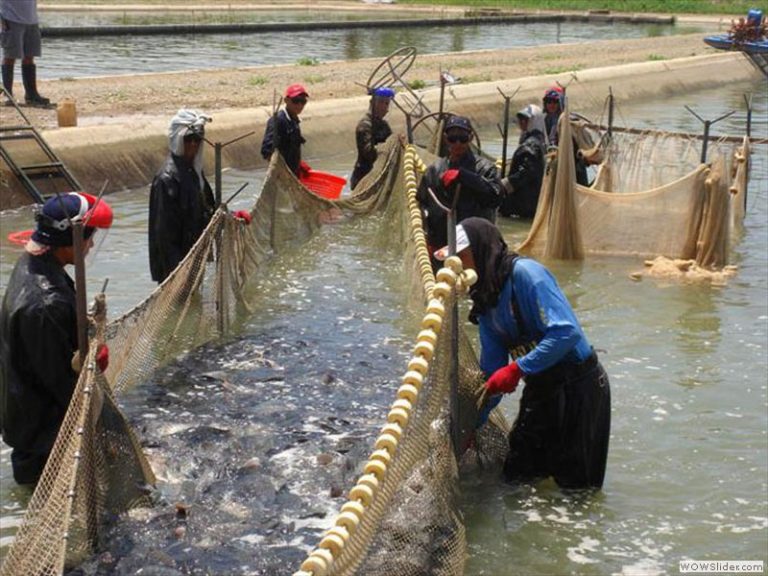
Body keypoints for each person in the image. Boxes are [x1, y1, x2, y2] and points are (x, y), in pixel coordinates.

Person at [438, 217, 611, 489]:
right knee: (516, 476)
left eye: (461, 256)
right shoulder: (486, 302)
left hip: (580, 388)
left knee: (578, 491)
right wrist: (472, 425)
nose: (458, 265)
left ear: (481, 251)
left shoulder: (527, 275)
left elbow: (566, 333)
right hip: (541, 388)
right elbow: (493, 376)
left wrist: (518, 368)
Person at [0, 192, 113, 485]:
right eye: (88, 238)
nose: (90, 246)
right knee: (52, 496)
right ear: (68, 240)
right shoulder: (45, 303)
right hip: (44, 436)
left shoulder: (32, 264)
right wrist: (89, 367)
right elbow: (61, 381)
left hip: (26, 419)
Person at [416, 115, 502, 260]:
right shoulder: (433, 171)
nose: (457, 143)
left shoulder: (485, 169)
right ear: (445, 138)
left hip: (476, 248)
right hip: (440, 247)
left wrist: (466, 177)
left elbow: (495, 198)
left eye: (462, 138)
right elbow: (421, 204)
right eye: (453, 138)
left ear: (471, 138)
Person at [499, 104, 547, 219]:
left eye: (525, 119)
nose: (522, 122)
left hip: (524, 202)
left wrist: (505, 185)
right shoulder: (539, 140)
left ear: (534, 121)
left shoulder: (532, 144)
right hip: (531, 200)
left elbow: (526, 172)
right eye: (520, 119)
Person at [0, 0, 51, 106]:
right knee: (10, 56)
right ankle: (7, 95)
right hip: (11, 19)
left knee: (29, 57)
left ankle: (31, 95)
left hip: (31, 20)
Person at [542, 85, 590, 186]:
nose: (551, 105)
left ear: (560, 102)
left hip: (573, 165)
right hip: (556, 165)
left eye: (555, 101)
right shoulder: (545, 120)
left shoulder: (569, 120)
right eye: (549, 101)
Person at [261, 83, 311, 177]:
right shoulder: (278, 120)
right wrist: (281, 171)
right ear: (286, 100)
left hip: (293, 172)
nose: (300, 105)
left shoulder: (294, 120)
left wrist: (299, 164)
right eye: (296, 101)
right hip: (282, 174)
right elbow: (266, 151)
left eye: (303, 101)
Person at [350, 86, 395, 190]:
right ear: (374, 103)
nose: (386, 109)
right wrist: (386, 149)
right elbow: (368, 153)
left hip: (379, 177)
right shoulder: (365, 126)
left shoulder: (384, 125)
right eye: (383, 103)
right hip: (363, 179)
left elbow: (392, 142)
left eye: (387, 104)